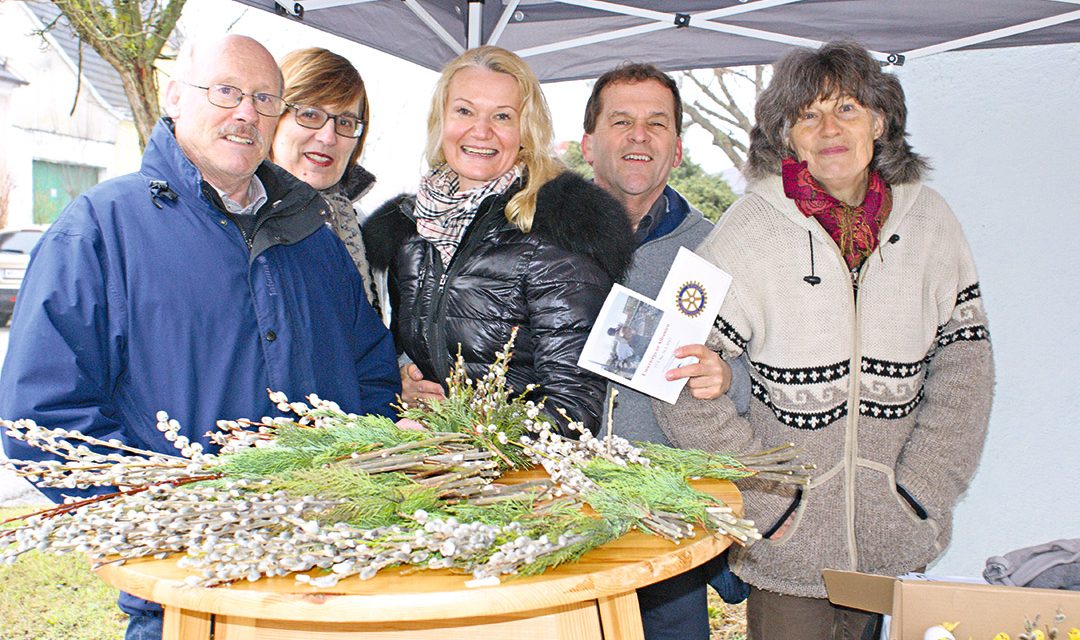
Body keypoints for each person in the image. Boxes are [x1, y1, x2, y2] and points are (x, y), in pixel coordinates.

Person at [0, 35, 400, 640]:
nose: (247, 113)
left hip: (322, 587)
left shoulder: (316, 242)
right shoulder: (100, 230)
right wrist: (161, 518)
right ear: (174, 96)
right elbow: (42, 413)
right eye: (226, 92)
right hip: (183, 596)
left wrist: (350, 483)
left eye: (265, 99)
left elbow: (373, 375)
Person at [655, 41, 994, 640]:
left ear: (880, 121)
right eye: (808, 114)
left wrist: (920, 491)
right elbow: (667, 362)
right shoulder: (747, 225)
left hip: (890, 534)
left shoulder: (930, 219)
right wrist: (766, 495)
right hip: (790, 547)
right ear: (786, 134)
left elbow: (966, 365)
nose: (829, 128)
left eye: (846, 108)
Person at [364, 45, 634, 434]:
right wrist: (404, 383)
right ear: (442, 120)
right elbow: (410, 352)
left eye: (502, 116)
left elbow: (575, 410)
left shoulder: (557, 233)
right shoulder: (411, 231)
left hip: (520, 484)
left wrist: (463, 431)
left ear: (525, 130)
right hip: (433, 475)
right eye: (464, 111)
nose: (481, 130)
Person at [581, 62, 751, 640]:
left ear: (677, 150)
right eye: (621, 120)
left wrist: (729, 379)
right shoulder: (539, 239)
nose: (639, 135)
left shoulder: (720, 247)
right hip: (558, 511)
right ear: (588, 143)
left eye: (657, 123)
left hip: (667, 518)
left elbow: (771, 370)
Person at [271, 47, 382, 316]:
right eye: (310, 114)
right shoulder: (235, 220)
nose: (328, 136)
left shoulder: (363, 228)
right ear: (273, 116)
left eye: (345, 121)